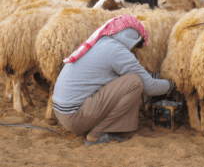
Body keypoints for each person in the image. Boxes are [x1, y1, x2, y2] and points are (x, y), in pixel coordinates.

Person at [52, 14, 174, 146]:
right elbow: (150, 87)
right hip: (75, 117)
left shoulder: (100, 44)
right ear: (129, 37)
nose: (135, 49)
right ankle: (97, 134)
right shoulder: (116, 51)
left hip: (62, 113)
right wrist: (173, 83)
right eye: (137, 43)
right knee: (134, 82)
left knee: (130, 79)